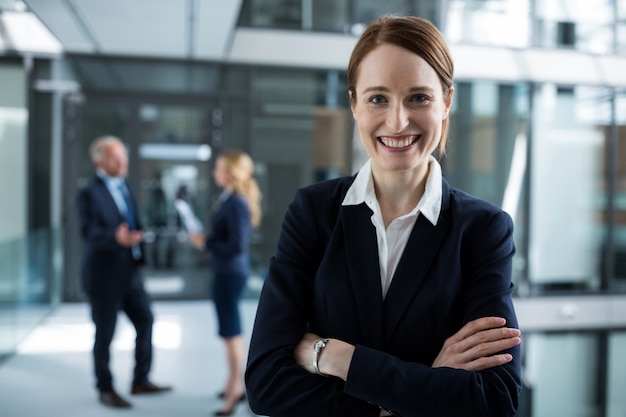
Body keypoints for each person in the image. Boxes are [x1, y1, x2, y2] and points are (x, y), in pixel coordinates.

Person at [245, 15, 522, 417]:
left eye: (418, 98)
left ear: (446, 102)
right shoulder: (313, 212)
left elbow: (494, 399)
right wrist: (422, 384)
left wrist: (335, 357)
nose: (397, 121)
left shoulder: (482, 230)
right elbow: (266, 385)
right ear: (354, 103)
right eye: (378, 98)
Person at [77, 135, 172, 408]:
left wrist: (135, 237)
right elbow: (88, 231)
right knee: (105, 334)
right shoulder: (89, 192)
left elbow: (132, 220)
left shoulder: (126, 185)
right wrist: (114, 238)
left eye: (124, 156)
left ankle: (140, 380)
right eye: (115, 157)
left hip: (130, 271)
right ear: (99, 161)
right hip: (104, 276)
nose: (123, 162)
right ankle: (105, 388)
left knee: (146, 321)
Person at [189, 150, 262, 416]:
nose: (215, 172)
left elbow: (236, 245)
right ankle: (233, 384)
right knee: (230, 331)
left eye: (219, 168)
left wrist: (205, 243)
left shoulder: (237, 203)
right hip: (227, 272)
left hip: (230, 273)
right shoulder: (230, 199)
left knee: (231, 332)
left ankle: (234, 390)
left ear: (231, 173)